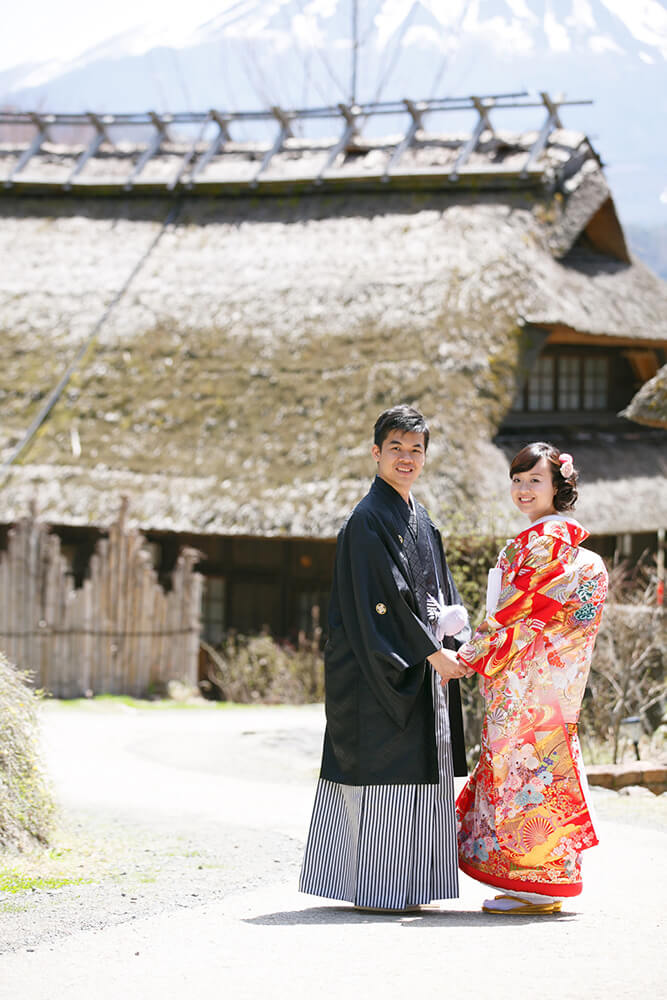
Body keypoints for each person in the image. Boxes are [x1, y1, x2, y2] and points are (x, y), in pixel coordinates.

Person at [299, 404, 470, 912]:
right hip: (377, 668)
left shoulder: (422, 520)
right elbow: (384, 601)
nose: (406, 458)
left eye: (415, 449)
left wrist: (454, 640)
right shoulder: (368, 519)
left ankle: (412, 885)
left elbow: (440, 593)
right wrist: (431, 654)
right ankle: (375, 887)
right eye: (395, 447)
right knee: (381, 767)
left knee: (416, 769)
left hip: (418, 666)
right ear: (376, 454)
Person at [456, 442, 608, 915]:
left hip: (529, 683)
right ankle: (535, 881)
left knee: (528, 772)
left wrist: (466, 656)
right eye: (517, 480)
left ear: (558, 486)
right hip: (541, 682)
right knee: (538, 771)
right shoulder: (551, 541)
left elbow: (516, 613)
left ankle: (535, 885)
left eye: (534, 480)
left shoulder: (546, 543)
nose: (523, 489)